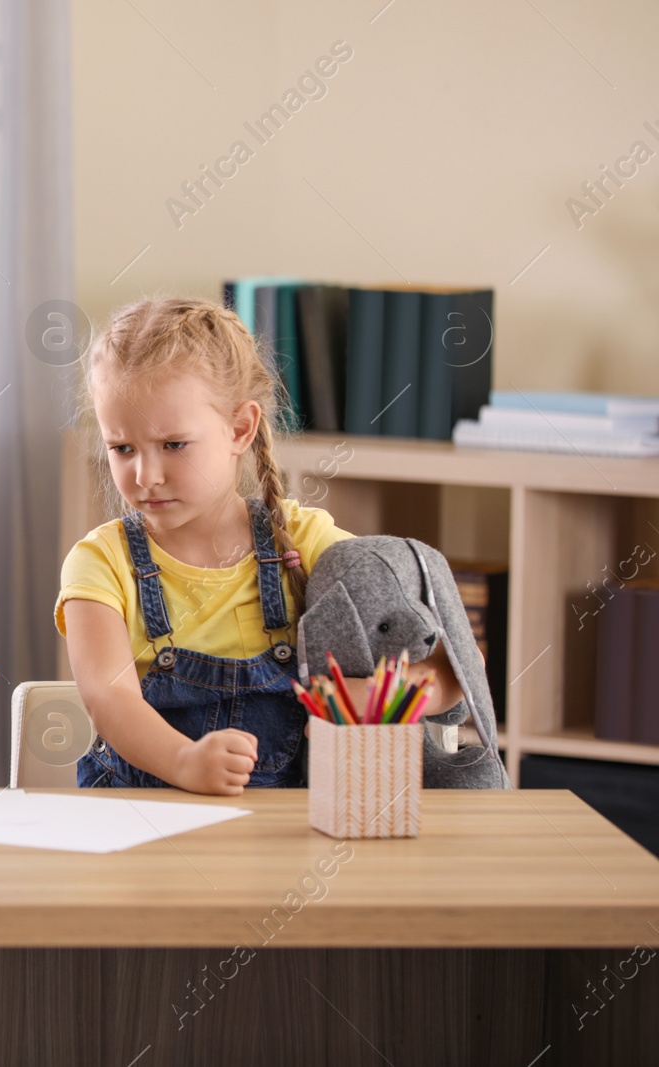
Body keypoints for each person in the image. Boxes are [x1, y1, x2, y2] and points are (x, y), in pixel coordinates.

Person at [56, 296, 464, 794]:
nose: (146, 475)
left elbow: (461, 662)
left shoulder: (306, 541)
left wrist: (386, 695)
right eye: (122, 448)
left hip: (281, 844)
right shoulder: (99, 562)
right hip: (143, 828)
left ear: (240, 429)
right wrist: (184, 761)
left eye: (173, 445)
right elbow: (107, 694)